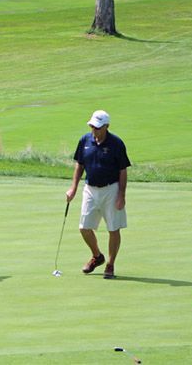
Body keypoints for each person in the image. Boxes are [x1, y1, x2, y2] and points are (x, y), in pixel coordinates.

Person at [66, 109, 130, 279]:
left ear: (106, 126)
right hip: (90, 189)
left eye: (98, 127)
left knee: (113, 228)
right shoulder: (85, 140)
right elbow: (79, 165)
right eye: (92, 126)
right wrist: (73, 188)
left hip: (111, 189)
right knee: (84, 228)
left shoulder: (116, 144)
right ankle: (97, 256)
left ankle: (110, 264)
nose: (94, 129)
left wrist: (121, 195)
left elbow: (123, 170)